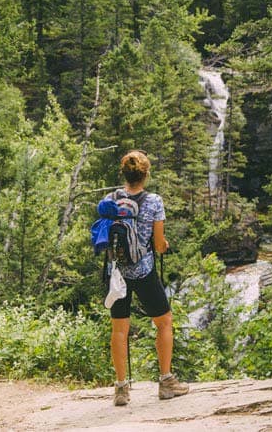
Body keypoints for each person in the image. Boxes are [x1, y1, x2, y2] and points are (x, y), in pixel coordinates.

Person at [104, 150, 189, 406]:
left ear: (124, 174)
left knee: (120, 329)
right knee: (164, 322)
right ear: (146, 175)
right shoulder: (154, 201)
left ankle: (121, 389)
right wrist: (163, 245)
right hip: (143, 271)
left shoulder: (111, 199)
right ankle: (165, 382)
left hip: (117, 273)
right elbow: (159, 243)